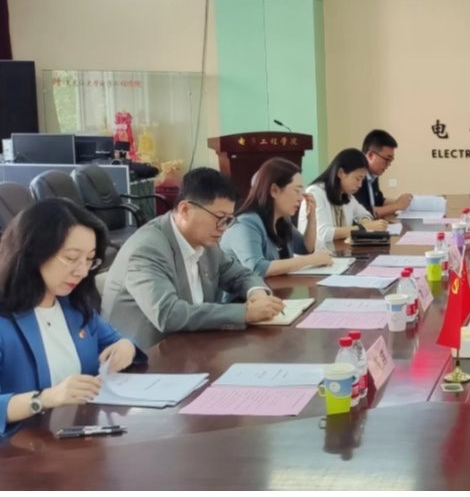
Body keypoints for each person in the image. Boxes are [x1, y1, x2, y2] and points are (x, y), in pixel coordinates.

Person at [0, 200, 146, 435]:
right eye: (71, 258)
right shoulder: (5, 322)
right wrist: (44, 399)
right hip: (20, 449)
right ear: (33, 252)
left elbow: (117, 340)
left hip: (78, 437)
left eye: (89, 260)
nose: (82, 271)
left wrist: (125, 347)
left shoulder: (74, 306)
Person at [104, 167, 285, 349]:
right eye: (220, 218)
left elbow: (240, 274)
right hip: (146, 355)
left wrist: (257, 293)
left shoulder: (206, 241)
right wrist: (245, 313)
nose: (223, 228)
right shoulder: (148, 249)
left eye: (229, 220)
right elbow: (168, 314)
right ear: (185, 210)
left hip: (192, 345)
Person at [221, 158, 332, 278]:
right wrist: (311, 260)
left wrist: (312, 217)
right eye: (297, 191)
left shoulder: (282, 220)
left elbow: (305, 248)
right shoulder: (246, 224)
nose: (301, 198)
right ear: (274, 190)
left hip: (275, 287)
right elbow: (257, 268)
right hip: (244, 290)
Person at [299, 148, 387, 244]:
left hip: (339, 251)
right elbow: (324, 234)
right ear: (341, 173)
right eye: (357, 179)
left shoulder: (346, 195)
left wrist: (365, 222)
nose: (360, 185)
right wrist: (363, 228)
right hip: (317, 252)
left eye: (362, 180)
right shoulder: (316, 193)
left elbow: (365, 214)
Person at [355, 130, 413, 218]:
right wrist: (396, 205)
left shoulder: (373, 175)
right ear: (370, 155)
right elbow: (362, 212)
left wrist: (403, 203)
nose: (389, 164)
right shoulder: (356, 177)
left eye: (391, 160)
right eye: (387, 159)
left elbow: (378, 201)